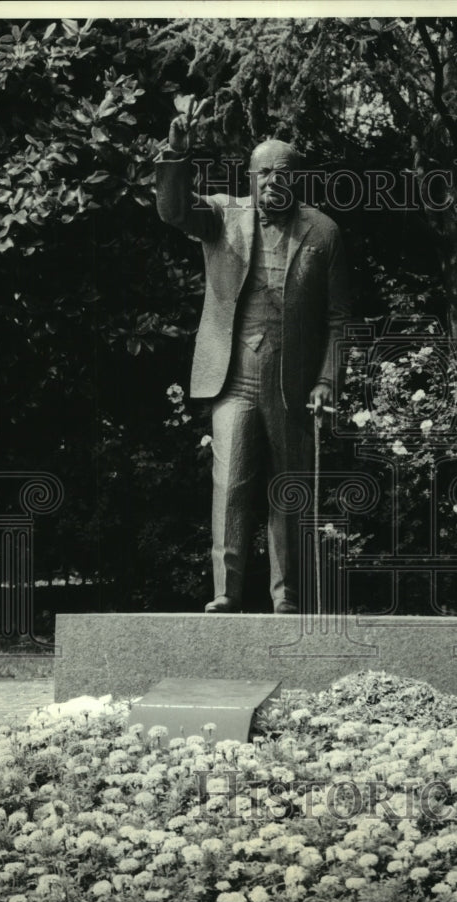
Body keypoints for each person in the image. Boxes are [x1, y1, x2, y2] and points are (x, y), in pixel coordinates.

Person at [155, 113, 350, 613]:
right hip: (233, 376)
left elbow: (339, 319)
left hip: (294, 379)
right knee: (231, 482)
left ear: (298, 179)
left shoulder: (324, 232)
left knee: (289, 488)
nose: (274, 182)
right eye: (264, 173)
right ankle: (226, 593)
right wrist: (177, 156)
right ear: (250, 177)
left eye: (284, 173)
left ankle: (287, 597)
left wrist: (328, 379)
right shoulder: (221, 216)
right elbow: (174, 211)